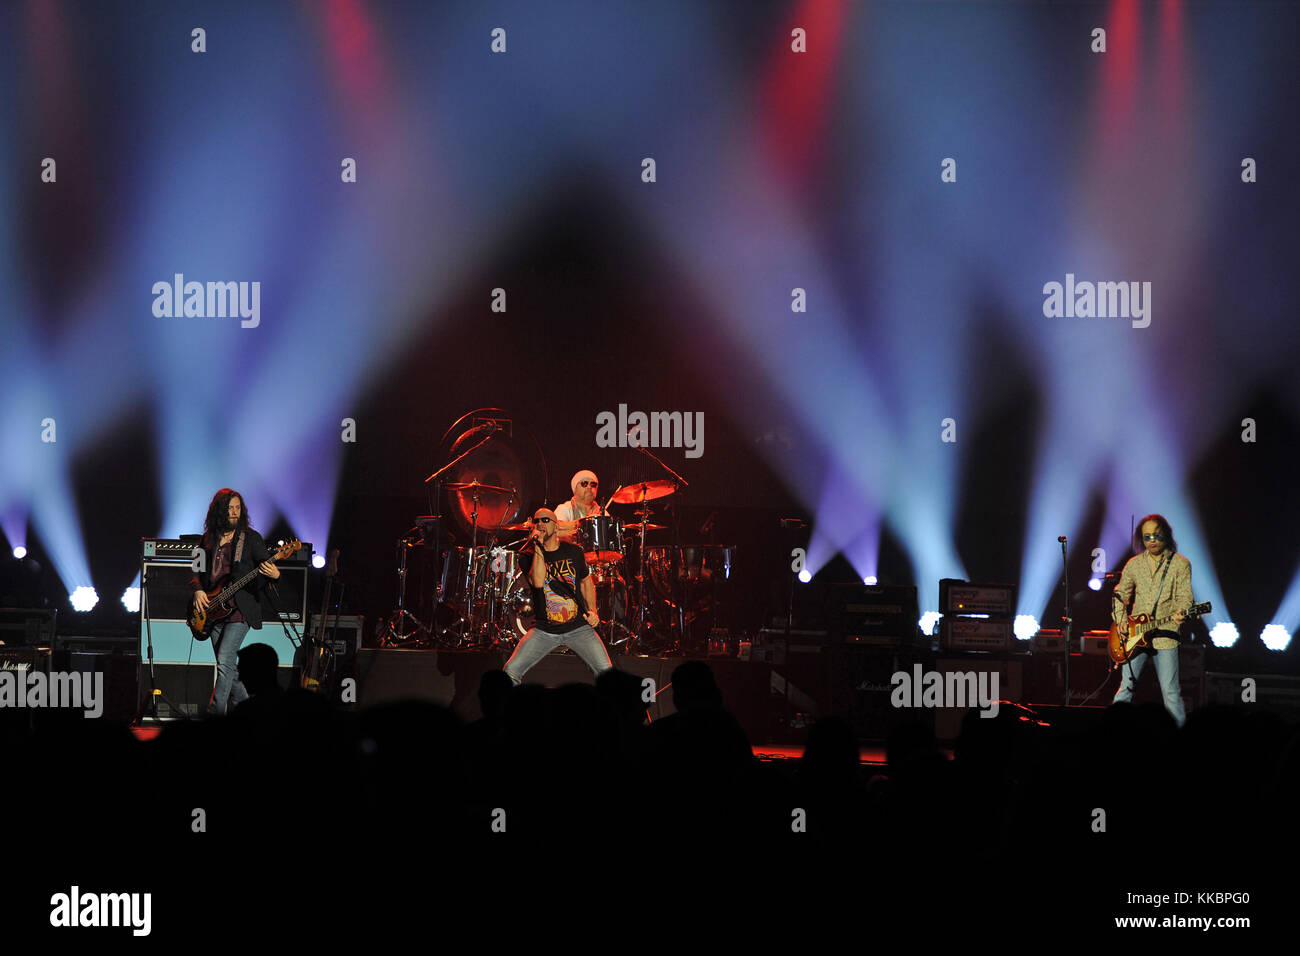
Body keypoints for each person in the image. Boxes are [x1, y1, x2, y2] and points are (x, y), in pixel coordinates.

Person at [189, 489, 281, 715]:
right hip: (211, 609)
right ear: (219, 510)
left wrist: (275, 574)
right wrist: (198, 591)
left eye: (238, 508)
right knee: (230, 669)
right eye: (230, 508)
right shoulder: (208, 538)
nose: (234, 512)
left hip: (239, 610)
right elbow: (195, 570)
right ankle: (250, 715)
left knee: (224, 661)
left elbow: (266, 564)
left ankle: (215, 714)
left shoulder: (250, 538)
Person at [502, 508, 613, 685]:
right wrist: (538, 546)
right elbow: (538, 582)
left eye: (545, 520)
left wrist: (593, 611)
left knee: (607, 673)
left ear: (556, 526)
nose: (540, 524)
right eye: (536, 521)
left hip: (578, 627)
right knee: (510, 671)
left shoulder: (574, 552)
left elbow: (586, 582)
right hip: (544, 630)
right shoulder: (527, 556)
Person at [1110, 514, 1192, 727]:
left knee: (1170, 691)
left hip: (1165, 634)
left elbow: (1185, 597)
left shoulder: (1180, 564)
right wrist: (1120, 620)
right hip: (1135, 634)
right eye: (1147, 537)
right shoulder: (1134, 564)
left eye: (1156, 535)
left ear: (1165, 534)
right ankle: (1111, 731)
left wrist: (1181, 611)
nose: (1152, 540)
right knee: (1126, 686)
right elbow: (1120, 593)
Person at [554, 469, 602, 546]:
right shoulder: (564, 508)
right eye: (584, 484)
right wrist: (587, 522)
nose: (589, 487)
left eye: (593, 484)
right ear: (575, 488)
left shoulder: (602, 512)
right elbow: (555, 527)